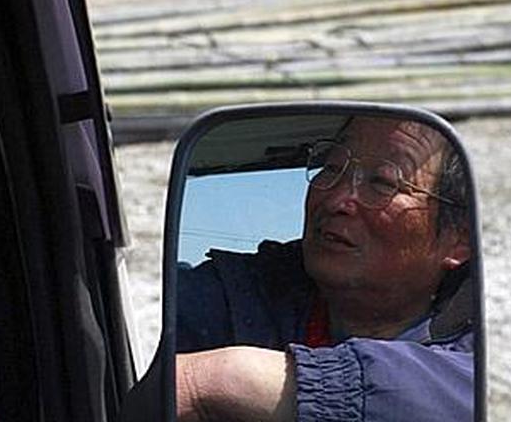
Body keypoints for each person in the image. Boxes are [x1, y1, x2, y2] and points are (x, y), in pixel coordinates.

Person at [176, 116, 474, 421]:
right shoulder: (241, 292)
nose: (337, 198)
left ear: (459, 241)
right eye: (331, 167)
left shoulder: (486, 340)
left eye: (383, 183)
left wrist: (222, 379)